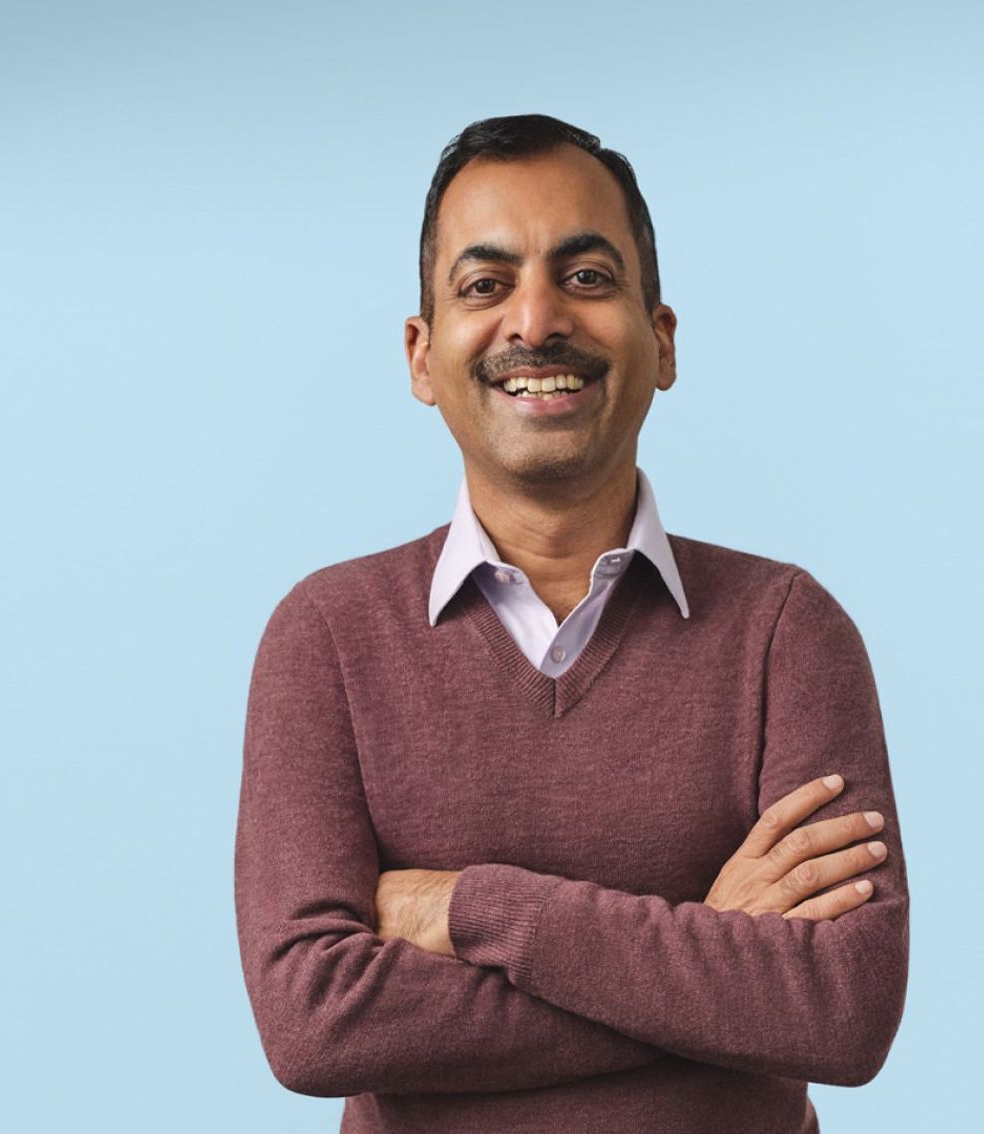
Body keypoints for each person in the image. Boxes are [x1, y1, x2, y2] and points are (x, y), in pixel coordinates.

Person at [234, 113, 909, 1133]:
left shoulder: (787, 633)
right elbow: (315, 1026)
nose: (536, 321)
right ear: (421, 356)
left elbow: (842, 1009)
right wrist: (707, 957)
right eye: (484, 285)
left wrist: (473, 911)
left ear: (663, 339)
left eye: (587, 278)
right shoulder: (326, 636)